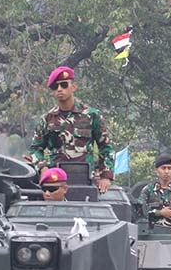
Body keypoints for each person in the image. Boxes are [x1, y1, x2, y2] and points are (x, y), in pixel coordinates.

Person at [27, 66, 115, 194]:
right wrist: (43, 168)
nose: (59, 89)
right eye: (55, 87)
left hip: (86, 180)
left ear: (73, 87)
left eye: (63, 85)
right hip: (56, 182)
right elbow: (35, 149)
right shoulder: (47, 119)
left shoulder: (91, 115)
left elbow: (106, 146)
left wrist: (106, 176)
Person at [139, 154, 171, 234]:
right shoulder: (148, 190)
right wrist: (160, 212)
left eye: (169, 168)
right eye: (163, 168)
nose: (166, 171)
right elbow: (140, 212)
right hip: (151, 233)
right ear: (157, 170)